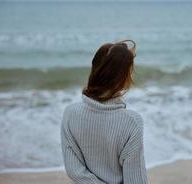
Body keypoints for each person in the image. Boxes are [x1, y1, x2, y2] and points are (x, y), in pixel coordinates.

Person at [60, 40, 148, 184]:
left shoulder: (70, 114)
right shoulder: (132, 122)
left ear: (94, 70)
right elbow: (135, 180)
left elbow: (74, 170)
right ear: (124, 76)